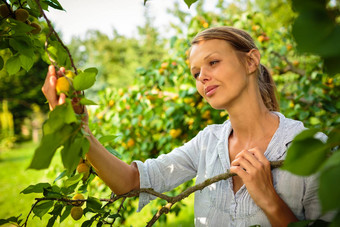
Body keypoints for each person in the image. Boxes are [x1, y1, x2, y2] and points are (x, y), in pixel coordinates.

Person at [42, 26, 329, 226]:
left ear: (251, 60)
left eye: (213, 62)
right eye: (195, 73)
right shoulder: (207, 143)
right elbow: (132, 182)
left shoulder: (312, 146)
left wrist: (271, 201)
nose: (202, 77)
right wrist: (81, 130)